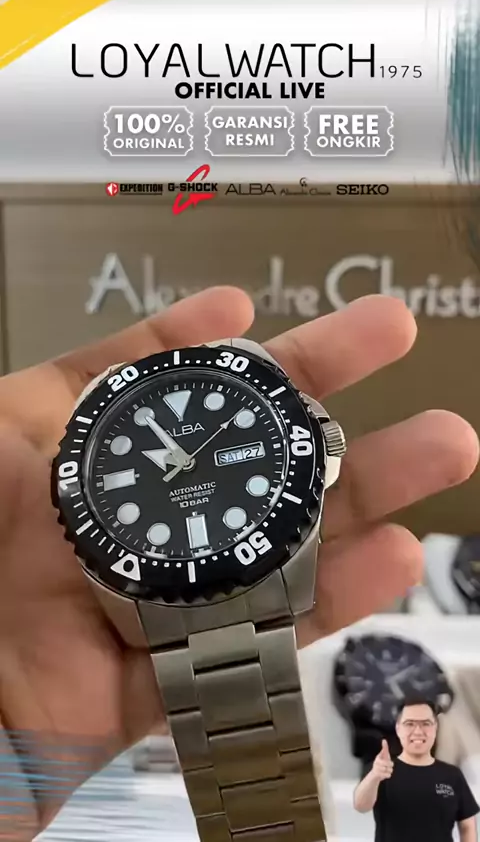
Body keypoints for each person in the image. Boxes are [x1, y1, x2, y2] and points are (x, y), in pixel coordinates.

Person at [0, 287, 477, 840]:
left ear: (319, 446)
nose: (181, 462)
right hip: (162, 603)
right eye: (173, 458)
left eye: (186, 457)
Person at [354, 696, 479, 842]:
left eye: (426, 723)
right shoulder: (382, 770)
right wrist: (375, 776)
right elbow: (361, 806)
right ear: (398, 728)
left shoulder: (452, 775)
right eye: (410, 724)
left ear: (435, 727)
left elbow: (467, 826)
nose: (418, 731)